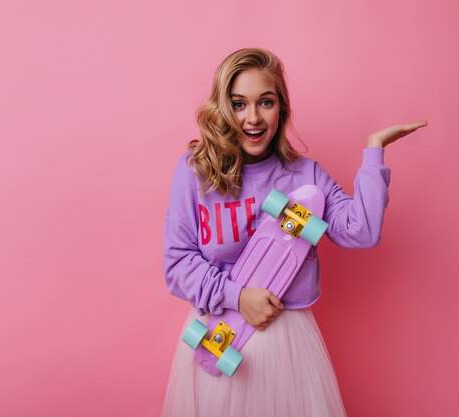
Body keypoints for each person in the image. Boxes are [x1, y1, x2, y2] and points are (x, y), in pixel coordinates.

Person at [161, 47, 427, 417]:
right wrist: (239, 297)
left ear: (281, 108)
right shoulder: (197, 171)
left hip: (287, 346)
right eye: (239, 104)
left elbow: (361, 231)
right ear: (223, 108)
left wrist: (373, 153)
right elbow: (177, 265)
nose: (252, 118)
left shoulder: (305, 176)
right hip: (218, 339)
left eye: (265, 102)